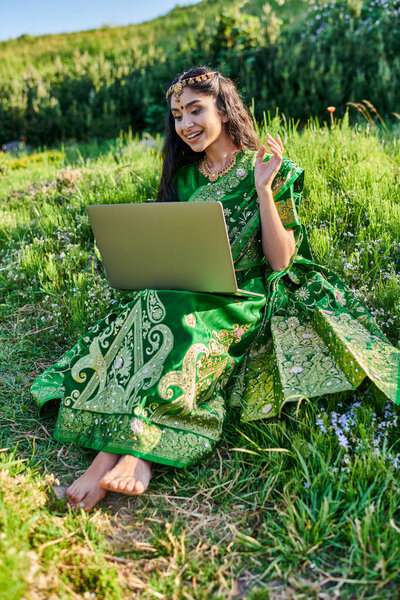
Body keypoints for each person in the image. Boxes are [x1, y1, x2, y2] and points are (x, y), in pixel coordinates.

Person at [31, 66, 400, 511]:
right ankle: (111, 453)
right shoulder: (184, 178)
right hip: (184, 283)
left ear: (223, 109)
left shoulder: (264, 166)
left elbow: (281, 260)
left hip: (241, 293)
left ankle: (134, 455)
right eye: (177, 116)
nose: (184, 125)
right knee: (154, 303)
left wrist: (264, 191)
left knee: (183, 321)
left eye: (194, 110)